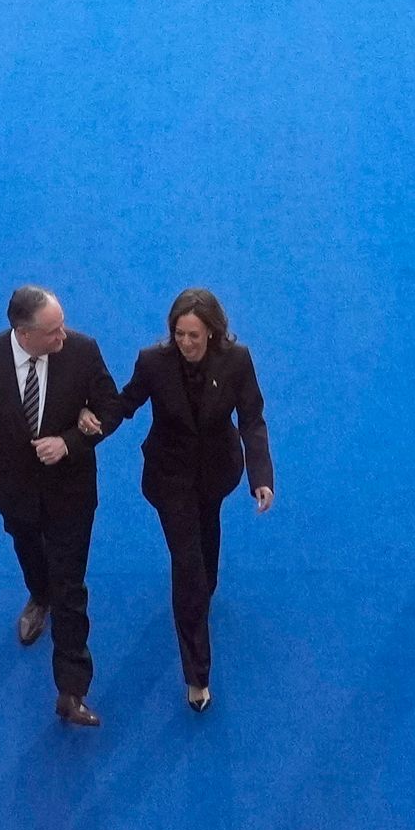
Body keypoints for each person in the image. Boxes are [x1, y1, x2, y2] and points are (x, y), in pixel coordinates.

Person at [0, 284, 124, 726]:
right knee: (31, 553)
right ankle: (37, 595)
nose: (62, 337)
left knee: (71, 587)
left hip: (71, 493)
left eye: (63, 326)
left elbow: (112, 407)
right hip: (13, 492)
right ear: (23, 334)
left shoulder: (82, 351)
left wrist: (71, 441)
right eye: (53, 332)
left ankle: (71, 689)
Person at [110, 288, 273, 711]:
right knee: (188, 567)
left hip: (216, 472)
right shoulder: (153, 361)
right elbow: (127, 402)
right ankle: (197, 675)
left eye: (194, 336)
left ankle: (206, 587)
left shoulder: (236, 361)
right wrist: (88, 425)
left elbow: (251, 419)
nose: (185, 343)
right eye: (179, 334)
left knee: (208, 530)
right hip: (169, 477)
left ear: (214, 334)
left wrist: (261, 476)